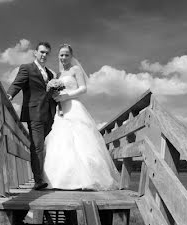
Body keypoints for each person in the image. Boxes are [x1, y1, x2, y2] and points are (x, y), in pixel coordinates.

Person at [43, 44, 119, 191]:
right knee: (60, 141)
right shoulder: (57, 76)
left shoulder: (75, 70)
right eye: (61, 55)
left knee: (81, 141)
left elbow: (83, 89)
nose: (63, 57)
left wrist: (67, 95)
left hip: (74, 107)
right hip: (61, 111)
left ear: (71, 56)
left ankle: (88, 179)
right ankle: (59, 180)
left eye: (66, 55)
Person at [7, 42, 55, 190]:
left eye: (47, 53)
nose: (44, 55)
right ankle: (38, 180)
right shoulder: (26, 68)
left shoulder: (51, 74)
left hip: (50, 114)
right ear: (35, 52)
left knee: (50, 147)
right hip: (34, 113)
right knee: (37, 147)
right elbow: (17, 84)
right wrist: (9, 94)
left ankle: (50, 176)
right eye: (41, 52)